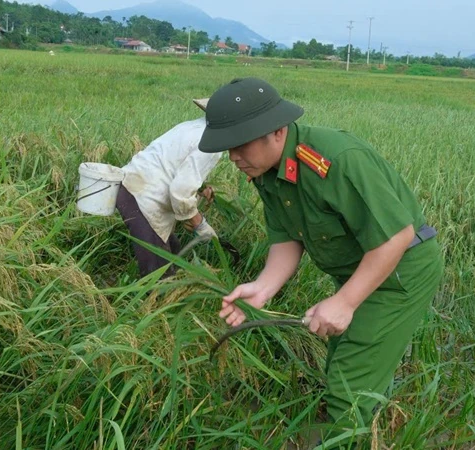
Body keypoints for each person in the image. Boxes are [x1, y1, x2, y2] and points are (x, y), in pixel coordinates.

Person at [197, 77, 444, 443]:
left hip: (398, 271)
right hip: (358, 271)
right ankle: (365, 421)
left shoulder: (336, 161)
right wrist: (263, 288)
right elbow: (287, 238)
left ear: (277, 131)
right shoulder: (266, 171)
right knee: (343, 361)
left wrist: (345, 302)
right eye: (227, 147)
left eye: (240, 144)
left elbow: (396, 236)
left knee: (349, 384)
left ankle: (346, 435)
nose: (233, 157)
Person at [115, 98, 221, 279]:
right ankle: (154, 295)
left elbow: (173, 164)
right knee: (159, 275)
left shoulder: (192, 126)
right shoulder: (212, 143)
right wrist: (199, 223)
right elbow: (180, 191)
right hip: (144, 200)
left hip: (131, 186)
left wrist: (200, 187)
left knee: (174, 251)